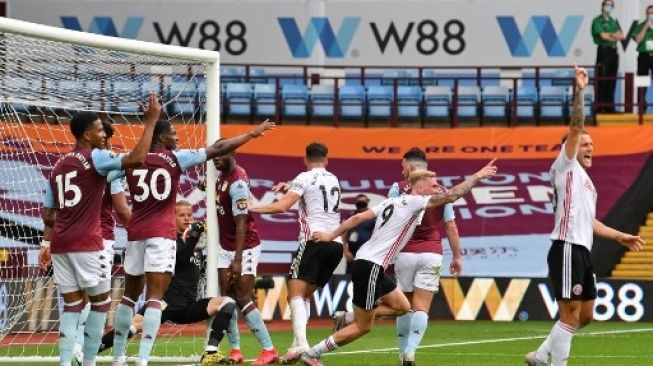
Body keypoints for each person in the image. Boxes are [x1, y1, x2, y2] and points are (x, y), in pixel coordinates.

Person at [111, 119, 275, 366]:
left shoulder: (131, 159)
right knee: (155, 299)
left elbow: (111, 185)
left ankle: (116, 357)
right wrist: (253, 133)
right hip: (162, 234)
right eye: (174, 134)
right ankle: (142, 360)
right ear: (163, 137)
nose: (177, 137)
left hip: (135, 233)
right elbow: (215, 150)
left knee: (129, 298)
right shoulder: (176, 159)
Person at [302, 162, 498, 366]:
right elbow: (451, 196)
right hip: (370, 265)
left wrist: (330, 234)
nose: (438, 188)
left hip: (370, 264)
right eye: (433, 186)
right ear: (420, 188)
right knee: (364, 326)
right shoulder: (416, 202)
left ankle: (349, 316)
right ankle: (313, 353)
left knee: (404, 306)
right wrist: (477, 176)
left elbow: (359, 217)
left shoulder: (391, 202)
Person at [524, 66, 645, 366]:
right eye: (584, 144)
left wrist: (619, 235)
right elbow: (576, 127)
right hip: (565, 247)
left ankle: (540, 355)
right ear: (571, 148)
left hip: (582, 250)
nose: (590, 147)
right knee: (570, 314)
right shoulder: (565, 167)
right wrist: (580, 91)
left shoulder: (588, 184)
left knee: (586, 316)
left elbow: (589, 221)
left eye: (592, 145)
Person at [38, 93, 161, 366]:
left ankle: (65, 362)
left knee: (71, 306)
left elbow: (47, 213)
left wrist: (57, 231)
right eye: (98, 130)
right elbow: (138, 159)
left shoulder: (58, 166)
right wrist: (151, 122)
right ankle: (91, 362)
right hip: (87, 242)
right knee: (100, 303)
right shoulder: (96, 157)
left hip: (61, 244)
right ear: (86, 135)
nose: (102, 134)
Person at [91, 201, 237, 365]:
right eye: (182, 215)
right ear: (172, 217)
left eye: (189, 215)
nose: (187, 219)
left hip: (188, 306)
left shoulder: (194, 244)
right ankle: (89, 351)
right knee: (132, 327)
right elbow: (180, 258)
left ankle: (211, 352)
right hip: (165, 303)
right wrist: (193, 237)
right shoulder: (169, 241)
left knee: (227, 303)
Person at [250, 143, 343, 364]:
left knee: (295, 294)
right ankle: (296, 345)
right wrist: (290, 186)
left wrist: (250, 208)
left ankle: (302, 345)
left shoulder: (303, 177)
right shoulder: (333, 179)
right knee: (305, 296)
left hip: (313, 241)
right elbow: (312, 191)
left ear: (305, 159)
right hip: (335, 243)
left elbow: (282, 207)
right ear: (326, 160)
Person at [388, 148, 462, 366]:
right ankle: (411, 351)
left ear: (409, 166)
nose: (402, 171)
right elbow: (451, 227)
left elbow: (389, 221)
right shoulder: (444, 192)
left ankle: (402, 355)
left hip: (405, 253)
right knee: (422, 307)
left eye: (403, 166)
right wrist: (457, 257)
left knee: (405, 305)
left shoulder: (398, 189)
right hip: (432, 253)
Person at [72, 120, 133, 365]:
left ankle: (73, 350)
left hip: (73, 237)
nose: (110, 144)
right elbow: (121, 209)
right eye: (106, 137)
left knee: (78, 299)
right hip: (101, 238)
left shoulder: (72, 164)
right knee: (99, 299)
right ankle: (81, 349)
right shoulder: (110, 168)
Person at [209, 152, 279, 365]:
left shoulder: (237, 183)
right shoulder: (222, 176)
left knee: (242, 297)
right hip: (225, 246)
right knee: (227, 298)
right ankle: (235, 350)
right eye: (213, 156)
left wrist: (237, 259)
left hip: (245, 246)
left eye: (220, 155)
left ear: (231, 154)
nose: (215, 159)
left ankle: (269, 349)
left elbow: (241, 222)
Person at [591, 0, 624, 113]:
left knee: (612, 78)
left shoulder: (613, 21)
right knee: (602, 78)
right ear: (602, 6)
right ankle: (600, 106)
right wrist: (613, 36)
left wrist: (611, 35)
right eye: (607, 5)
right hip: (603, 52)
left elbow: (621, 35)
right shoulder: (597, 20)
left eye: (611, 5)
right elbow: (603, 36)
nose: (608, 7)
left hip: (614, 52)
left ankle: (610, 106)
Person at [342, 194, 375, 273]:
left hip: (368, 254)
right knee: (351, 277)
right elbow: (344, 235)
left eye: (363, 202)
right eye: (359, 202)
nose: (361, 204)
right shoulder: (350, 216)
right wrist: (346, 251)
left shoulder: (373, 216)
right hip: (352, 255)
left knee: (366, 276)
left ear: (367, 202)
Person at [633, 5, 653, 113]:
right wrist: (646, 27)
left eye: (652, 13)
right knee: (642, 81)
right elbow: (638, 40)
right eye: (649, 13)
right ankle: (641, 108)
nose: (651, 15)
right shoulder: (640, 26)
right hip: (643, 55)